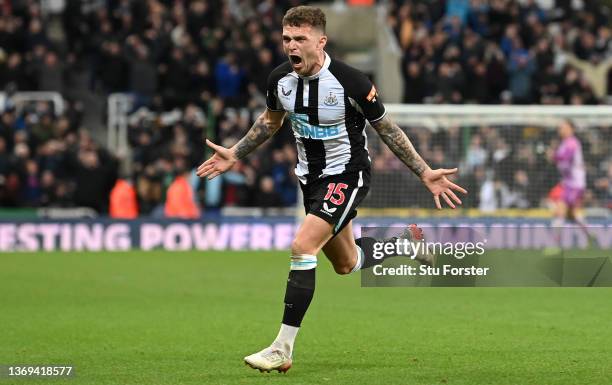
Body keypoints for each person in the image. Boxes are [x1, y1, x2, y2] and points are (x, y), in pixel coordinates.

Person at [196, 6, 467, 373]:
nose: (291, 45)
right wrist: (236, 152)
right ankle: (404, 242)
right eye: (286, 39)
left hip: (347, 175)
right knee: (347, 263)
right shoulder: (280, 80)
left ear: (320, 41)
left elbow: (388, 130)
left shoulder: (350, 82)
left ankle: (282, 348)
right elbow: (270, 122)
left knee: (302, 246)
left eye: (300, 39)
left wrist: (423, 171)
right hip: (310, 179)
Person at [550, 120, 591, 243]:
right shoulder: (564, 143)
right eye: (560, 127)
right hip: (569, 182)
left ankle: (554, 243)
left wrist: (554, 156)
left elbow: (566, 156)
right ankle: (591, 234)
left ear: (571, 129)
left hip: (575, 183)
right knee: (572, 214)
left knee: (560, 209)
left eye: (564, 127)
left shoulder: (572, 142)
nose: (561, 129)